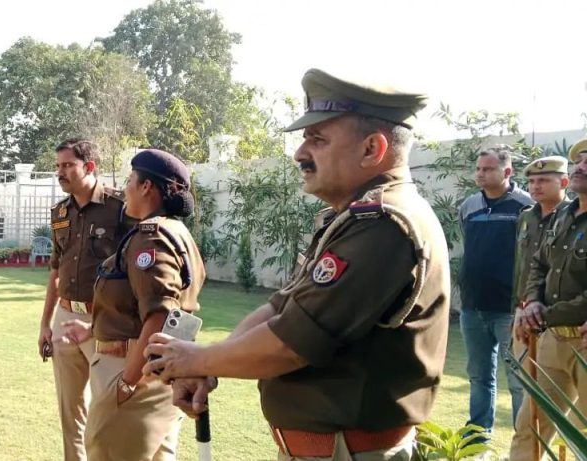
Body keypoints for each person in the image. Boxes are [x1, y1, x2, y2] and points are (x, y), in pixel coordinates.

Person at [142, 68, 451, 461]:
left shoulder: (383, 224)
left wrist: (193, 358)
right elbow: (280, 308)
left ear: (372, 148)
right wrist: (210, 362)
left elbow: (290, 344)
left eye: (317, 139)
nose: (300, 153)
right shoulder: (353, 218)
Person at [59, 148, 206, 460]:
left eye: (130, 181)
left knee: (108, 449)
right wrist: (94, 329)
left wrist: (128, 383)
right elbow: (141, 306)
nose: (125, 189)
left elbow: (161, 313)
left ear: (146, 187)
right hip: (160, 370)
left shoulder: (151, 237)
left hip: (134, 371)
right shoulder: (177, 232)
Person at [38, 138, 133, 461]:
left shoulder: (120, 208)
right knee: (70, 411)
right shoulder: (60, 213)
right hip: (65, 318)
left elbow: (134, 268)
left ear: (89, 166)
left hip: (103, 322)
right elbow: (55, 271)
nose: (60, 172)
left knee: (107, 409)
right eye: (58, 166)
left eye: (68, 165)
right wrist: (45, 324)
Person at [515, 141, 587, 460]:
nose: (581, 167)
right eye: (579, 161)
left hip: (582, 341)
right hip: (553, 340)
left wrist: (546, 313)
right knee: (529, 428)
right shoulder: (562, 217)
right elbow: (538, 264)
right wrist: (532, 302)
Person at [458, 145, 533, 433]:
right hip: (472, 307)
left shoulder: (525, 206)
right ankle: (477, 436)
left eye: (488, 169)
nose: (480, 174)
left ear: (507, 171)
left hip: (510, 310)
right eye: (478, 169)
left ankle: (522, 440)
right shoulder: (469, 206)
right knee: (479, 377)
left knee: (518, 380)